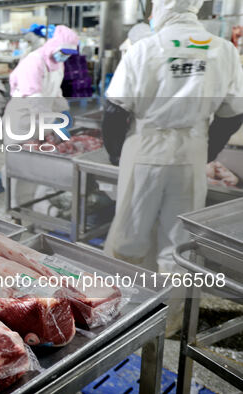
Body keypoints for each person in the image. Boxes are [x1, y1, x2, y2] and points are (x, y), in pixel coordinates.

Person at [102, 0, 243, 332]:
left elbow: (114, 111)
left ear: (162, 7)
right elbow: (234, 111)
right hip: (192, 152)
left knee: (129, 236)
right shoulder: (223, 49)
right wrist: (206, 150)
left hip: (146, 147)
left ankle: (125, 317)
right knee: (177, 244)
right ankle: (167, 324)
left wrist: (115, 155)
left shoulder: (145, 48)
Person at [2, 25, 79, 211]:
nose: (65, 56)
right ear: (54, 46)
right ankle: (14, 204)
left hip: (42, 118)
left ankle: (38, 202)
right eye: (63, 52)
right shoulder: (34, 61)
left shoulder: (57, 63)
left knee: (41, 161)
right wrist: (53, 122)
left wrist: (64, 112)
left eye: (69, 53)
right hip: (21, 119)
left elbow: (55, 92)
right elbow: (34, 98)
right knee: (17, 162)